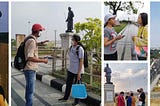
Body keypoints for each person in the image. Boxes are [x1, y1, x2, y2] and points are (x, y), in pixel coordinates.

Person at [24, 23, 48, 106]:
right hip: (30, 68)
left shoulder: (29, 38)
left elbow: (33, 45)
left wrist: (41, 43)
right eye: (40, 31)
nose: (40, 33)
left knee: (28, 89)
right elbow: (30, 57)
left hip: (29, 68)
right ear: (37, 31)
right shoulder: (32, 41)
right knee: (30, 90)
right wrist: (43, 60)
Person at [58, 34, 84, 106]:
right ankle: (65, 97)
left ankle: (76, 102)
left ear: (77, 41)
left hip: (78, 71)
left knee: (77, 86)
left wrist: (79, 73)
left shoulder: (80, 49)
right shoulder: (71, 47)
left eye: (73, 40)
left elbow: (81, 61)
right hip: (71, 70)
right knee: (68, 84)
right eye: (72, 40)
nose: (71, 41)